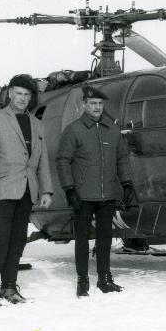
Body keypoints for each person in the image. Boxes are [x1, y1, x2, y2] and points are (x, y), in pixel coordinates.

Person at [0, 74, 53, 305]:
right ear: (10, 93)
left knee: (18, 240)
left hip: (27, 190)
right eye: (19, 93)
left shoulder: (37, 124)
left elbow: (42, 161)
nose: (22, 99)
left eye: (27, 95)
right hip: (2, 189)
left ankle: (10, 286)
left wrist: (47, 191)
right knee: (0, 240)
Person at [56, 85, 136, 297]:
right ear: (84, 105)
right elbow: (63, 160)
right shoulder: (74, 130)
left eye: (100, 104)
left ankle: (104, 278)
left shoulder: (112, 130)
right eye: (93, 104)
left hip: (107, 194)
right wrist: (69, 188)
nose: (97, 107)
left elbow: (121, 159)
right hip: (82, 195)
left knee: (105, 239)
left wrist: (127, 183)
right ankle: (82, 279)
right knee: (82, 239)